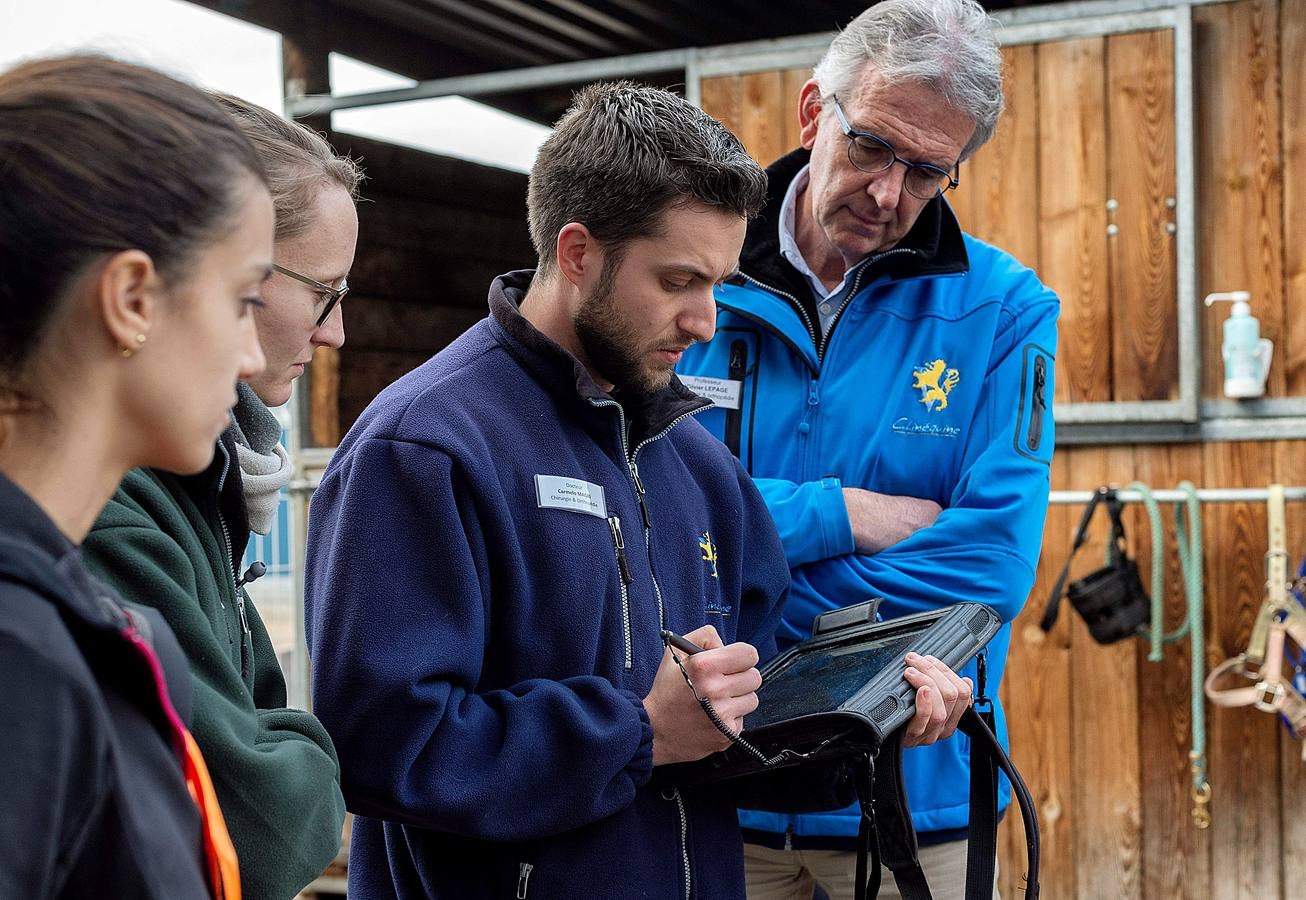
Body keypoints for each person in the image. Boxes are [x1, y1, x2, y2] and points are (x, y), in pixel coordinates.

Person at [304, 81, 972, 900]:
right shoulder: (425, 448)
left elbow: (733, 738)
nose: (706, 320)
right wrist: (636, 733)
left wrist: (868, 725)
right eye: (680, 281)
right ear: (578, 252)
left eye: (720, 283)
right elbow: (380, 748)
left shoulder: (699, 466)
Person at [676, 1, 1060, 897]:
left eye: (928, 171)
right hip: (711, 791)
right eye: (873, 146)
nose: (889, 194)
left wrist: (749, 597)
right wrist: (840, 514)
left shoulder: (1006, 311)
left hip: (913, 800)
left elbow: (990, 564)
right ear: (815, 112)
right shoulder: (693, 273)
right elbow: (635, 507)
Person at [0, 54, 272, 898]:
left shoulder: (61, 619)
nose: (252, 355)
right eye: (243, 299)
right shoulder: (18, 658)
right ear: (131, 299)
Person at [80, 94, 361, 899]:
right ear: (140, 291)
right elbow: (261, 820)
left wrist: (275, 747)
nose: (336, 333)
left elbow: (258, 723)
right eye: (323, 292)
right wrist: (297, 758)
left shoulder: (202, 484)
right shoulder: (100, 510)